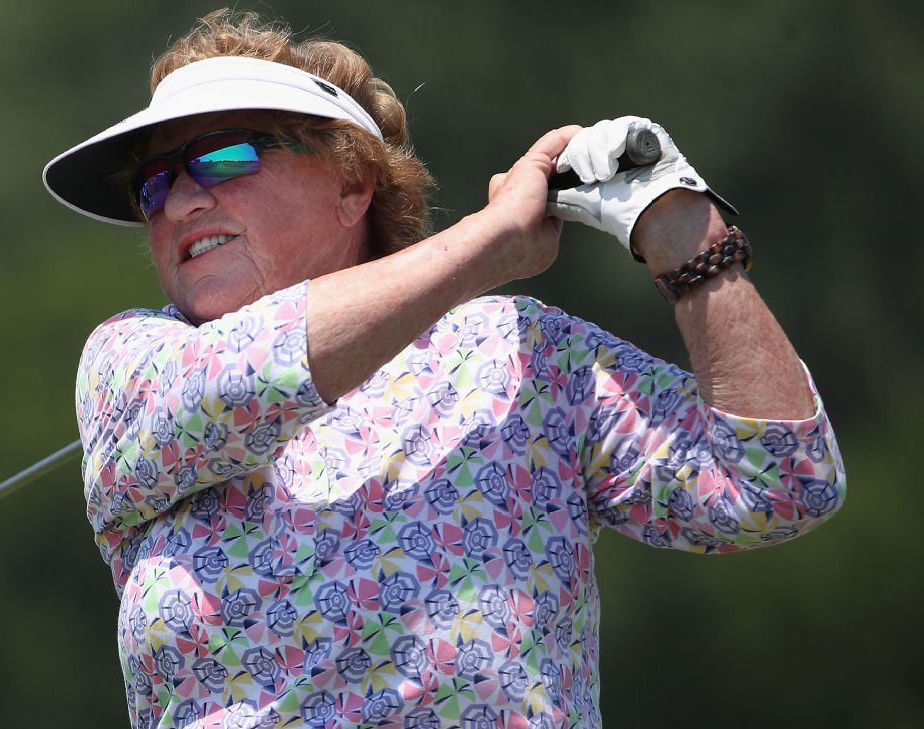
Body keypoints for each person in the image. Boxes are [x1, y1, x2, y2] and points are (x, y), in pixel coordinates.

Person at [42, 10, 845, 729]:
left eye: (221, 159)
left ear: (352, 180)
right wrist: (488, 244)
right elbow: (254, 374)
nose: (179, 202)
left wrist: (687, 240)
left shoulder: (520, 354)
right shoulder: (131, 361)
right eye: (155, 184)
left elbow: (779, 481)